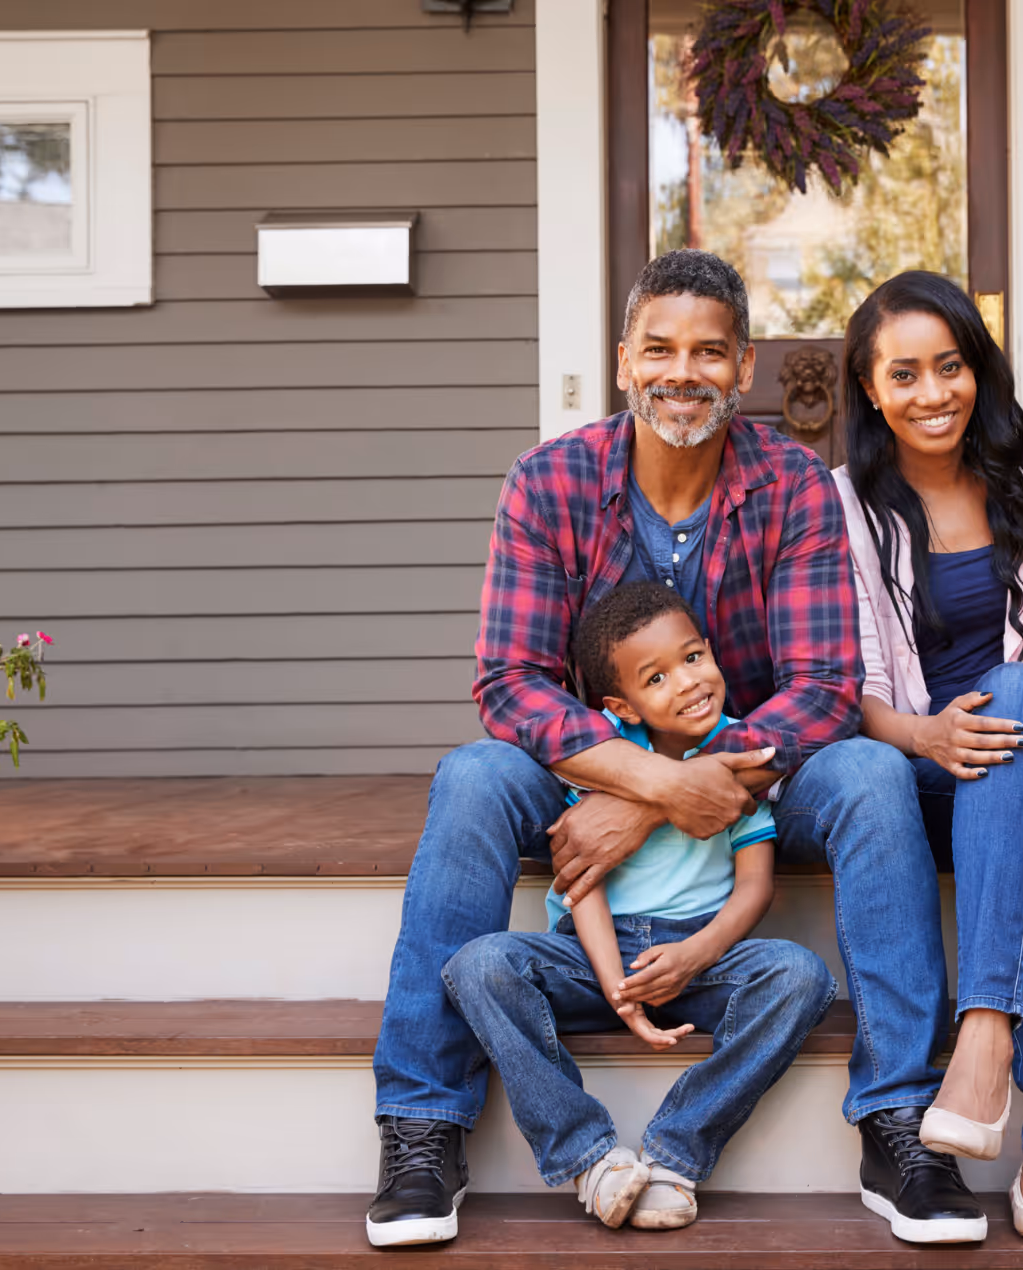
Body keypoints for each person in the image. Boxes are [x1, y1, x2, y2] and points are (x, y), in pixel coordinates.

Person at [367, 249, 986, 1248]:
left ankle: (898, 1118)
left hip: (757, 765)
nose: (682, 372)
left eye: (708, 352)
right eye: (659, 348)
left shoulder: (791, 484)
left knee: (873, 773)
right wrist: (647, 776)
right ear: (623, 360)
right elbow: (508, 683)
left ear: (743, 369)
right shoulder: (550, 479)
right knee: (475, 776)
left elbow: (823, 686)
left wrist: (674, 792)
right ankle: (422, 1123)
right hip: (596, 760)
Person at [831, 271, 1023, 1244]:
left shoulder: (1013, 485)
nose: (932, 392)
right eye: (902, 374)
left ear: (976, 371)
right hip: (929, 765)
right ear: (870, 390)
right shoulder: (841, 509)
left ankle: (982, 1033)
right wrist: (925, 733)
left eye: (949, 366)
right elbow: (843, 689)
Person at [442, 582, 834, 1232]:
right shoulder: (610, 760)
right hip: (592, 957)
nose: (687, 683)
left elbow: (755, 887)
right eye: (658, 677)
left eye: (693, 658)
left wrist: (695, 953)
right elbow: (582, 880)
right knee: (478, 967)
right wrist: (617, 990)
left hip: (700, 955)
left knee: (801, 977)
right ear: (622, 704)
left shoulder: (738, 754)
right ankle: (590, 1159)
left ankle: (676, 1155)